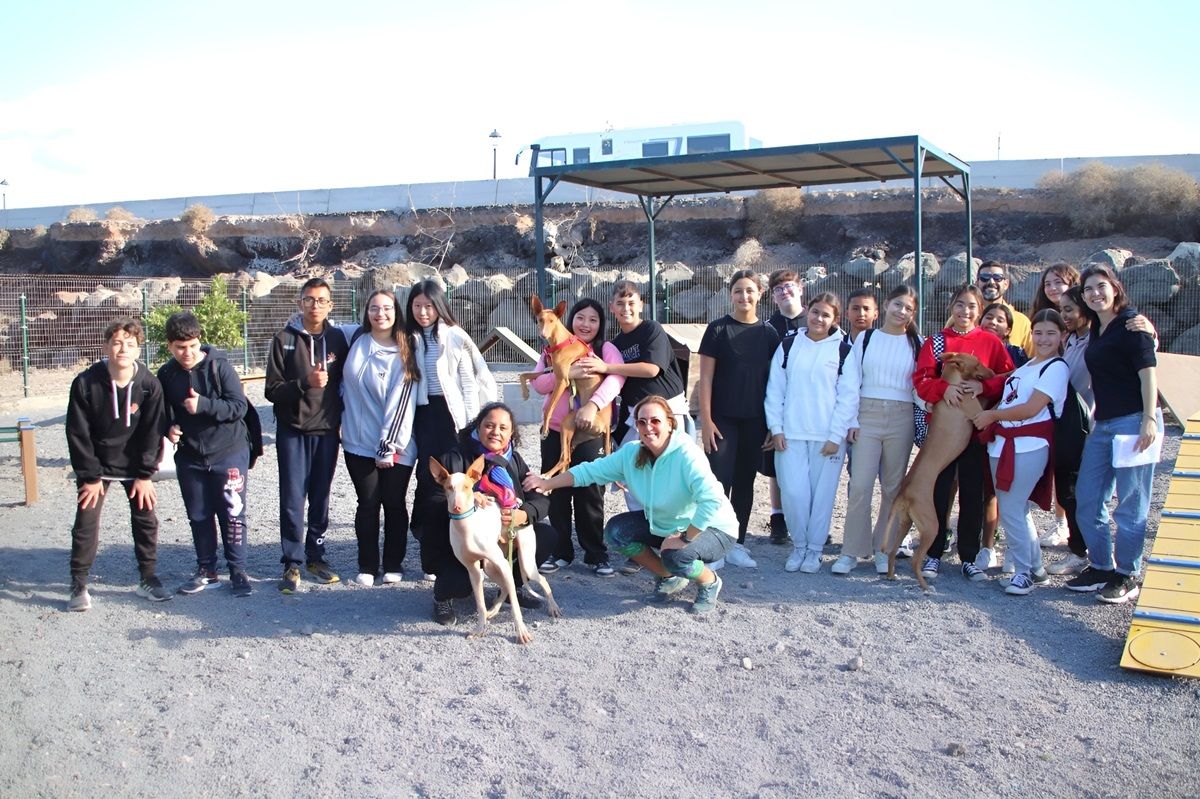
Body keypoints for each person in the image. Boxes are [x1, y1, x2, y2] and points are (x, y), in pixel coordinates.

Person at [524, 395, 735, 614]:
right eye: (642, 422)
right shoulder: (632, 452)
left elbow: (711, 501)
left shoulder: (687, 454)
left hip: (713, 528)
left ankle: (709, 582)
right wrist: (547, 482)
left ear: (670, 423)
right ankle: (668, 577)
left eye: (655, 421)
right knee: (617, 532)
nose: (648, 427)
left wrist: (684, 539)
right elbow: (589, 471)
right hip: (667, 524)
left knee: (676, 556)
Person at [574, 279, 686, 574]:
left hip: (668, 413)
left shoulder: (651, 330)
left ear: (641, 305)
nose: (626, 308)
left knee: (671, 480)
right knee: (630, 480)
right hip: (635, 417)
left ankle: (678, 544)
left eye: (632, 302)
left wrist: (607, 367)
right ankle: (644, 544)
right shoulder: (613, 344)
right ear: (612, 308)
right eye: (620, 303)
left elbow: (650, 368)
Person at [1067, 264, 1161, 604]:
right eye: (1088, 288)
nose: (1095, 292)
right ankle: (1102, 566)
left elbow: (1148, 373)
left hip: (1134, 420)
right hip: (1103, 425)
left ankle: (1127, 573)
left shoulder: (1132, 324)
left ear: (1115, 288)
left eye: (1101, 286)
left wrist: (1149, 419)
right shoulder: (1096, 328)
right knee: (1089, 498)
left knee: (1131, 504)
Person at [405, 280, 498, 615]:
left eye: (429, 305)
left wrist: (472, 425)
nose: (423, 311)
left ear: (439, 306)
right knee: (429, 486)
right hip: (424, 416)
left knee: (461, 487)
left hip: (454, 418)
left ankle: (472, 561)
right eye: (417, 305)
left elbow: (472, 380)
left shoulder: (456, 335)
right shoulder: (409, 337)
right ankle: (434, 553)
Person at [65, 318, 171, 611]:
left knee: (146, 519)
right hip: (97, 467)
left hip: (136, 467)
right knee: (86, 521)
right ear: (105, 346)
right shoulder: (86, 383)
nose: (123, 348)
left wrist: (146, 474)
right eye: (116, 342)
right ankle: (79, 582)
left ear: (139, 349)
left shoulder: (149, 385)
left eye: (130, 344)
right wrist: (89, 476)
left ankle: (148, 578)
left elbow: (153, 431)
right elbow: (77, 432)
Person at [914, 284, 1014, 582]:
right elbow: (921, 380)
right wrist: (946, 389)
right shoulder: (936, 342)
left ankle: (969, 556)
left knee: (973, 492)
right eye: (960, 304)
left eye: (971, 306)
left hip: (974, 431)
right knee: (939, 489)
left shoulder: (991, 343)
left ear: (979, 310)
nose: (964, 311)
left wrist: (984, 386)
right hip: (943, 431)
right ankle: (933, 552)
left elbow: (1008, 377)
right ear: (952, 307)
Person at [426, 403, 555, 626]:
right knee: (461, 583)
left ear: (511, 433)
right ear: (478, 426)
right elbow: (429, 503)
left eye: (503, 428)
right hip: (456, 540)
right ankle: (442, 598)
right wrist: (466, 499)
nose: (496, 432)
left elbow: (541, 500)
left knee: (547, 536)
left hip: (498, 537)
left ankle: (510, 587)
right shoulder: (454, 457)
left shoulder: (513, 460)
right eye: (489, 425)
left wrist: (524, 514)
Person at [972, 310, 1071, 594]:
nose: (1043, 339)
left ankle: (1024, 572)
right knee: (1017, 508)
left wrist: (992, 416)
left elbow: (1031, 408)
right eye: (1038, 332)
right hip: (1003, 444)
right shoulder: (1026, 367)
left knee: (1013, 508)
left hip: (1028, 444)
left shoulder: (1055, 367)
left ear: (1061, 336)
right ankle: (1036, 567)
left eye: (1051, 333)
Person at [157, 311, 254, 598]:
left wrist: (204, 405)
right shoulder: (166, 374)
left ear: (200, 341)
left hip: (229, 452)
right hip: (190, 456)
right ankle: (206, 571)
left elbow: (239, 408)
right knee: (199, 515)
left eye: (192, 346)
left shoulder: (220, 368)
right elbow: (163, 412)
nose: (187, 353)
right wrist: (169, 427)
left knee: (233, 513)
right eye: (180, 347)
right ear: (169, 346)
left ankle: (238, 571)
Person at [265, 277, 351, 593]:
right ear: (300, 303)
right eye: (309, 299)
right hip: (292, 430)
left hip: (327, 431)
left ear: (330, 305)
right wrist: (305, 383)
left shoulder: (339, 340)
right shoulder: (283, 339)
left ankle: (316, 556)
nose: (315, 305)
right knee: (291, 498)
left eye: (321, 300)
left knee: (321, 496)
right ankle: (292, 562)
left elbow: (349, 383)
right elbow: (271, 391)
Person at [528, 298, 625, 576]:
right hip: (557, 429)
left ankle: (596, 553)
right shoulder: (552, 349)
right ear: (569, 320)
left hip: (591, 429)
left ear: (600, 324)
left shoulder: (606, 349)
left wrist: (592, 405)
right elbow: (539, 384)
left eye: (593, 320)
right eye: (580, 318)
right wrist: (566, 373)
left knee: (591, 491)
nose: (586, 324)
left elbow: (616, 380)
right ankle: (560, 552)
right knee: (557, 490)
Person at [764, 292, 859, 574]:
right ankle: (800, 546)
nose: (819, 318)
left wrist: (835, 435)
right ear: (808, 312)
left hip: (827, 439)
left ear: (835, 320)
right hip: (790, 434)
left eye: (826, 315)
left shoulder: (843, 351)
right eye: (815, 312)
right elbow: (775, 389)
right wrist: (776, 428)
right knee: (793, 492)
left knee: (822, 495)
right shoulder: (789, 345)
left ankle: (815, 551)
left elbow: (848, 397)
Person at [696, 270, 779, 569]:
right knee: (719, 482)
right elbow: (705, 379)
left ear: (759, 294)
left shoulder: (769, 334)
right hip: (722, 420)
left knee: (745, 482)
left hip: (755, 421)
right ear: (730, 295)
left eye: (749, 291)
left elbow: (775, 382)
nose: (744, 297)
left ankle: (737, 543)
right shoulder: (717, 330)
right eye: (738, 291)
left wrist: (772, 425)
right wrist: (706, 420)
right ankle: (713, 544)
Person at [838, 285, 921, 575]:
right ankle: (850, 551)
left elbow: (921, 386)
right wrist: (851, 421)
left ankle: (883, 549)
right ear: (885, 305)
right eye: (898, 304)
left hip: (902, 417)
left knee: (892, 488)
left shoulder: (917, 343)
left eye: (909, 308)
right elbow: (850, 381)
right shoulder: (867, 338)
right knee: (860, 485)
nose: (902, 311)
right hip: (867, 416)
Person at [340, 290, 420, 587]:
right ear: (366, 311)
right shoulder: (356, 340)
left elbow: (401, 401)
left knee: (394, 502)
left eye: (387, 308)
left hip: (395, 445)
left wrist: (388, 445)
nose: (380, 313)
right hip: (357, 442)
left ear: (396, 311)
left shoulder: (406, 347)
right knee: (368, 503)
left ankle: (393, 563)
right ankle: (367, 564)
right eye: (374, 308)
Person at [761, 269, 805, 545]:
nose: (784, 292)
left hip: (809, 401)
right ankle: (778, 517)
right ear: (773, 297)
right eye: (778, 289)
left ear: (800, 289)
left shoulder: (815, 319)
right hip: (778, 401)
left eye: (788, 286)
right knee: (777, 461)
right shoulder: (768, 326)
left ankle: (807, 519)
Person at [976, 260, 1033, 356]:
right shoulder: (966, 317)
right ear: (977, 283)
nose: (991, 282)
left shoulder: (1022, 322)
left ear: (1006, 284)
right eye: (984, 278)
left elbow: (1031, 360)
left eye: (997, 278)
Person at [980, 302, 1030, 368]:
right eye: (989, 318)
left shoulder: (1016, 354)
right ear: (980, 321)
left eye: (1000, 321)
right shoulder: (970, 345)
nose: (993, 322)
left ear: (1007, 331)